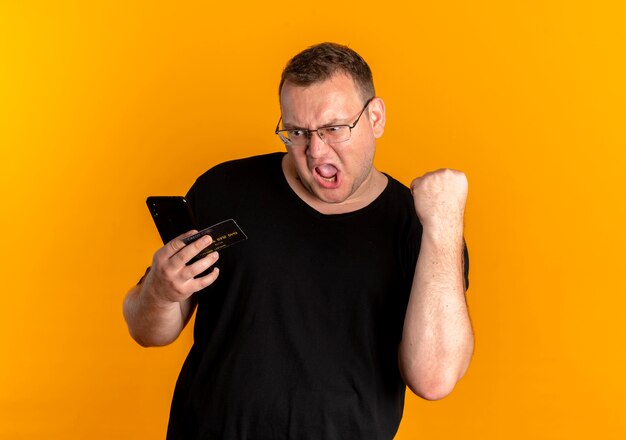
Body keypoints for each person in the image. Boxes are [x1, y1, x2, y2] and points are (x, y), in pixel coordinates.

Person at [124, 42, 473, 440]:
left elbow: (434, 379)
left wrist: (445, 228)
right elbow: (145, 329)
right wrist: (161, 291)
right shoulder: (224, 189)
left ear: (375, 118)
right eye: (297, 133)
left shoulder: (422, 227)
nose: (315, 150)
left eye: (334, 129)